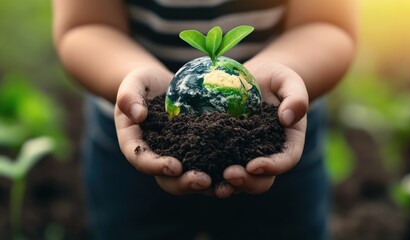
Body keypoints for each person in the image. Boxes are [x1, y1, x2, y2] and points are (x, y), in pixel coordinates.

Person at [52, 0, 357, 239]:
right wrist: (131, 81)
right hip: (135, 131)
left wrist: (279, 71)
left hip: (280, 125)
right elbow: (85, 24)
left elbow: (327, 24)